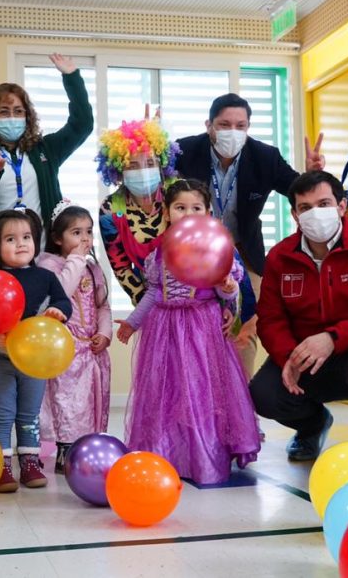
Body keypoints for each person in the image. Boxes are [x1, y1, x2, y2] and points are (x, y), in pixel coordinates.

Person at [250, 171, 348, 462]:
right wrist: (288, 357)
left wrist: (333, 338)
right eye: (305, 208)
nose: (315, 213)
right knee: (263, 393)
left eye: (324, 203)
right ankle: (312, 426)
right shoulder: (280, 257)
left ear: (342, 206)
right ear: (295, 215)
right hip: (308, 358)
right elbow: (271, 319)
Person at [115, 179, 260, 485]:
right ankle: (167, 454)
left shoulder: (217, 250)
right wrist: (133, 322)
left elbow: (227, 293)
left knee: (201, 393)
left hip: (201, 330)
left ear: (208, 214)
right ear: (167, 213)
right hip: (165, 330)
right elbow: (153, 294)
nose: (188, 214)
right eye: (180, 208)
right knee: (166, 393)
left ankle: (203, 457)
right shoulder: (160, 254)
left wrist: (228, 289)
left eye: (196, 208)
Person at [175, 94, 324, 374]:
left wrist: (311, 173)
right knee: (197, 328)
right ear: (209, 125)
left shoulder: (265, 157)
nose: (233, 131)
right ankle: (200, 402)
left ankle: (239, 402)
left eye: (240, 125)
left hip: (243, 253)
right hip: (192, 254)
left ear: (248, 127)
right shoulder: (183, 151)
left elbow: (299, 191)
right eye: (224, 124)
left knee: (245, 330)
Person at [0, 209, 72, 492]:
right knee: (0, 414)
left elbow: (64, 302)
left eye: (26, 237)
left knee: (29, 415)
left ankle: (30, 463)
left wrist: (57, 311)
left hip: (33, 364)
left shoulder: (45, 277)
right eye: (10, 239)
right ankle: (0, 467)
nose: (21, 243)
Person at [0, 54, 93, 247]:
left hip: (43, 255)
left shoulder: (46, 149)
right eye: (4, 111)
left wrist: (72, 78)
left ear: (27, 117)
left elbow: (82, 125)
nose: (12, 117)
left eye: (18, 111)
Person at [37, 200, 112, 473]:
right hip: (67, 350)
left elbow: (103, 304)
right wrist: (77, 260)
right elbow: (62, 292)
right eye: (76, 232)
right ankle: (66, 450)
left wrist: (104, 333)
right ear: (57, 238)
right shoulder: (49, 266)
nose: (85, 238)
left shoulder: (93, 267)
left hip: (92, 349)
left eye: (89, 232)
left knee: (91, 402)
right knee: (68, 403)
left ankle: (89, 447)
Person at [97, 117, 182, 305]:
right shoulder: (110, 209)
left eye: (150, 163)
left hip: (192, 292)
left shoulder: (179, 194)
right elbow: (120, 266)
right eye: (132, 165)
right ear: (118, 171)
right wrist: (147, 305)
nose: (143, 172)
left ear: (161, 165)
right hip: (149, 297)